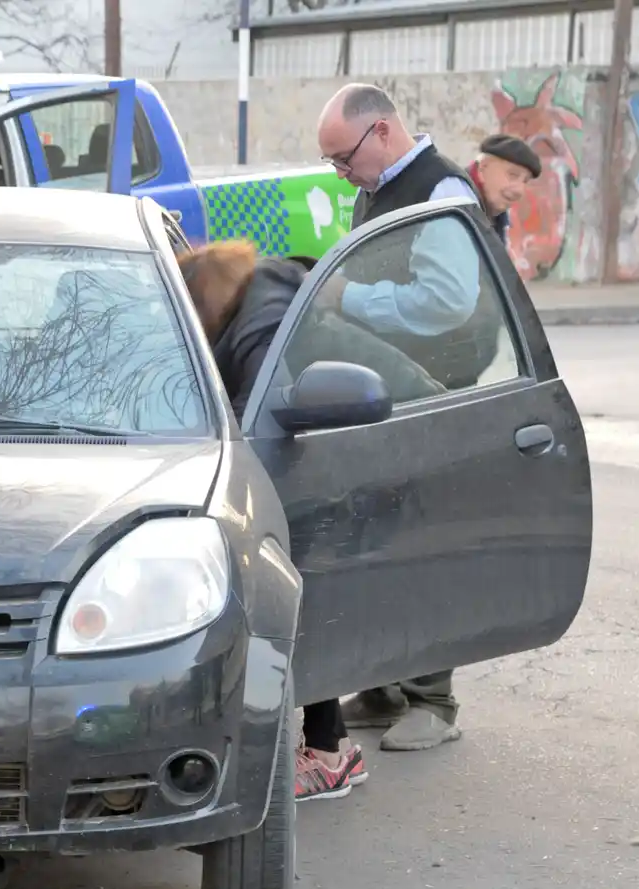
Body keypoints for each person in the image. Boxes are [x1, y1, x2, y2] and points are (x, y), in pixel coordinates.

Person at [316, 83, 483, 753]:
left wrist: (351, 300)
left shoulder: (442, 191)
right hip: (390, 391)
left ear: (381, 130)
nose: (339, 172)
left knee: (420, 542)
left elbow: (447, 302)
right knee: (378, 538)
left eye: (341, 157)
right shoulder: (377, 186)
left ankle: (434, 701)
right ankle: (387, 681)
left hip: (435, 393)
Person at [176, 239, 367, 802]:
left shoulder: (259, 321)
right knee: (301, 591)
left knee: (297, 589)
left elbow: (260, 412)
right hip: (341, 445)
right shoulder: (265, 290)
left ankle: (330, 753)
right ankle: (334, 742)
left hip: (337, 458)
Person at [467, 133, 541, 242]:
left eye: (525, 181)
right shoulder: (452, 203)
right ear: (483, 168)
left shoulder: (495, 216)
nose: (519, 190)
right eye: (513, 175)